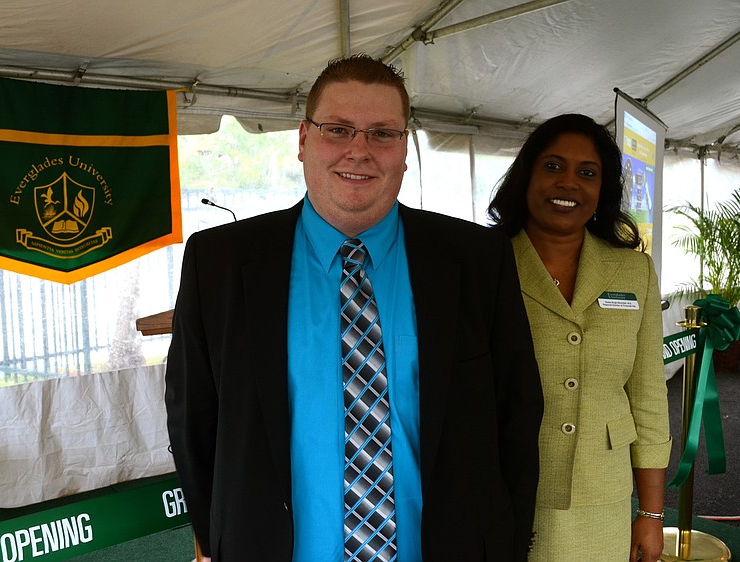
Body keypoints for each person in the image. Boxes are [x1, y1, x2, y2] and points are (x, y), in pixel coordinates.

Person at [165, 54, 543, 562]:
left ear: (404, 149)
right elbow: (193, 419)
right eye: (338, 130)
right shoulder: (220, 262)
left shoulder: (476, 258)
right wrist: (219, 538)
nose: (359, 151)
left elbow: (517, 412)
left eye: (382, 134)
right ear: (303, 139)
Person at [487, 114, 671, 562]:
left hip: (602, 494)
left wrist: (651, 513)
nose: (568, 183)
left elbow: (647, 395)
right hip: (503, 487)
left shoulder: (634, 271)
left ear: (603, 190)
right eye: (553, 166)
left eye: (587, 173)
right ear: (527, 175)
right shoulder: (486, 261)